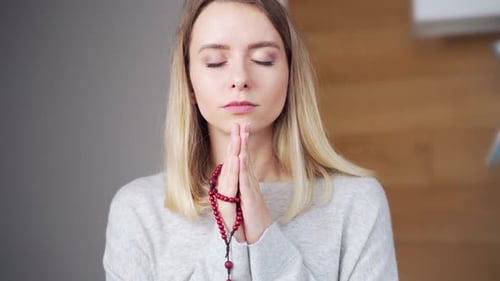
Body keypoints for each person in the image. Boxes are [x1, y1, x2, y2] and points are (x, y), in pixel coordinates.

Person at [102, 0, 399, 280]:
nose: (240, 78)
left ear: (290, 75)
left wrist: (264, 236)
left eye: (263, 59)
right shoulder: (138, 210)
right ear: (189, 82)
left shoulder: (357, 203)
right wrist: (228, 235)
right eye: (216, 62)